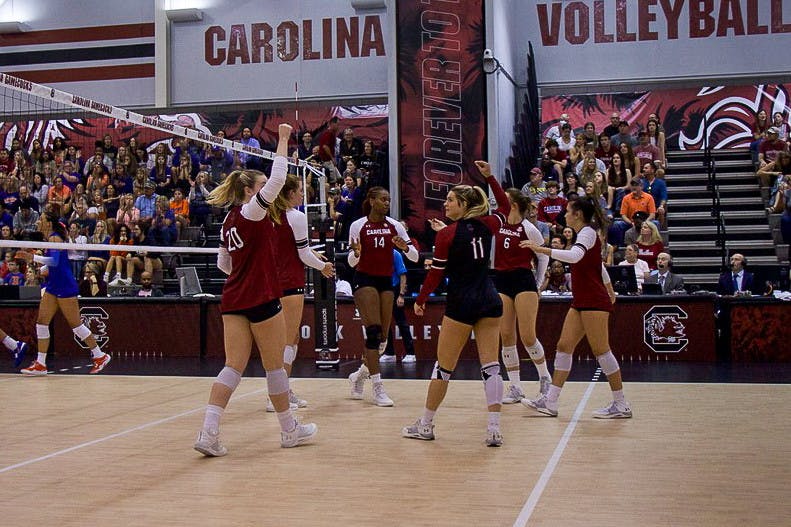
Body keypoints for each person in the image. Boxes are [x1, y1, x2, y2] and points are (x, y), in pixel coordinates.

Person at [194, 123, 317, 456]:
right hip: (261, 297)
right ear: (250, 191)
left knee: (232, 366)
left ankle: (208, 432)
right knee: (274, 366)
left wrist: (247, 269)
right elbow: (278, 179)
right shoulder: (251, 212)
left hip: (233, 298)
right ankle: (290, 430)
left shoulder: (229, 219)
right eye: (261, 186)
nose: (269, 189)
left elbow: (224, 265)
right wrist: (283, 139)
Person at [402, 160, 510, 446]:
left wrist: (421, 299)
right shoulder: (487, 225)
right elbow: (506, 209)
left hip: (461, 303)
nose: (446, 203)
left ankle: (425, 425)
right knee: (491, 366)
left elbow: (436, 274)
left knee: (443, 368)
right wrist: (490, 177)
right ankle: (494, 429)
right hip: (489, 298)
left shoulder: (447, 235)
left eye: (451, 200)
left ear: (463, 205)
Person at [520, 197, 632, 419]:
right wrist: (610, 288)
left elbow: (575, 257)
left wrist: (542, 250)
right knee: (563, 346)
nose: (565, 215)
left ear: (578, 214)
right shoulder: (584, 235)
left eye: (568, 211)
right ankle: (550, 401)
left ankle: (621, 404)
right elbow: (597, 266)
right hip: (582, 299)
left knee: (601, 350)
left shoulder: (588, 233)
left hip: (593, 300)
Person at [267, 173, 335, 412]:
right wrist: (323, 267)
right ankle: (277, 395)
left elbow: (291, 249)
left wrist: (313, 256)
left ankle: (282, 390)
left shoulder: (266, 215)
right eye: (299, 191)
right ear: (289, 193)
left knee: (289, 339)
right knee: (286, 342)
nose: (302, 195)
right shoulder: (296, 216)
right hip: (289, 283)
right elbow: (303, 254)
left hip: (270, 283)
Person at [346, 186, 419, 406]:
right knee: (373, 331)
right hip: (364, 279)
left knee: (382, 340)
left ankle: (359, 375)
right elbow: (351, 261)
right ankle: (378, 388)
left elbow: (414, 257)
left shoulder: (394, 225)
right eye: (383, 200)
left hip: (386, 281)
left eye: (389, 200)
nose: (387, 203)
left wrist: (404, 248)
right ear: (372, 201)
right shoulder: (358, 225)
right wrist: (357, 253)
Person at [16, 211, 112, 376]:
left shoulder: (54, 238)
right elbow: (55, 265)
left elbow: (55, 261)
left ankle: (100, 355)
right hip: (54, 285)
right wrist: (43, 270)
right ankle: (40, 363)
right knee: (41, 322)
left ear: (49, 223)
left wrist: (32, 257)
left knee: (76, 325)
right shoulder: (50, 239)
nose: (38, 221)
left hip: (65, 286)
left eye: (42, 219)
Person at [493, 188, 551, 404]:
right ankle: (515, 386)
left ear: (514, 205)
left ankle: (545, 377)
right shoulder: (498, 223)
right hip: (501, 280)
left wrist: (537, 283)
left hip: (523, 280)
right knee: (506, 334)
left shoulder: (529, 228)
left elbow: (542, 256)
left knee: (527, 335)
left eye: (505, 200)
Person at [380, 249, 416, 363]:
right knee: (385, 324)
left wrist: (401, 295)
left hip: (394, 290)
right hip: (381, 290)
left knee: (401, 322)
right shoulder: (375, 253)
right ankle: (389, 352)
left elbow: (402, 275)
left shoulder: (395, 254)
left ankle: (411, 353)